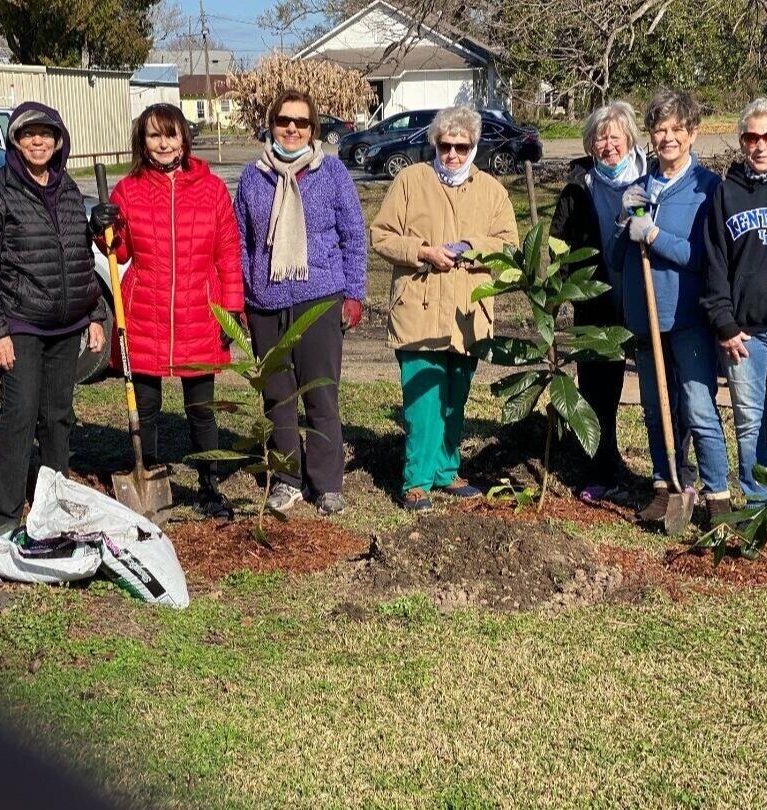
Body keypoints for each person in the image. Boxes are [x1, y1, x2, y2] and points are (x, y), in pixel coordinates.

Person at [89, 103, 243, 519]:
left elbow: (228, 253)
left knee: (201, 410)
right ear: (143, 141)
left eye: (170, 134)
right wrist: (101, 226)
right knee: (146, 406)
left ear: (183, 139)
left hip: (200, 310)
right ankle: (151, 473)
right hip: (145, 312)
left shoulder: (211, 190)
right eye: (154, 135)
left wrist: (232, 309)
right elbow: (117, 251)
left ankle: (209, 486)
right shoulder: (129, 189)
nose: (163, 143)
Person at [371, 105, 519, 512]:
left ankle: (446, 471)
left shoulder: (492, 190)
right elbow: (381, 235)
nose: (452, 154)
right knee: (422, 400)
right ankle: (416, 479)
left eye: (461, 146)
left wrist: (473, 249)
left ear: (473, 147)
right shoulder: (409, 180)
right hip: (418, 309)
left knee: (456, 396)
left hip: (467, 313)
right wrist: (421, 251)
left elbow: (510, 246)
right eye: (445, 146)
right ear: (434, 144)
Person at [0, 102, 106, 534]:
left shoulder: (66, 188)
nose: (38, 141)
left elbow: (80, 259)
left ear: (58, 139)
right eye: (28, 134)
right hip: (21, 325)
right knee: (20, 414)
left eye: (46, 134)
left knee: (57, 416)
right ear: (15, 139)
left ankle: (54, 501)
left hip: (67, 326)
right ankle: (4, 518)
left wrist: (95, 314)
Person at [234, 89, 367, 516]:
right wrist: (240, 295)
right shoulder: (253, 177)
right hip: (266, 302)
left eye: (301, 123)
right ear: (270, 125)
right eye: (283, 121)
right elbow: (240, 240)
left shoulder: (331, 173)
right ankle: (288, 478)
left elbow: (353, 234)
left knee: (321, 395)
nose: (292, 129)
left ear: (314, 129)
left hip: (319, 298)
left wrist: (354, 294)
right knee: (277, 396)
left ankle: (327, 482)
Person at [610, 90, 730, 524]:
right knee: (656, 408)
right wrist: (625, 225)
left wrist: (656, 236)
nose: (668, 137)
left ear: (693, 133)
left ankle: (718, 497)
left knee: (698, 407)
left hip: (687, 316)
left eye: (677, 129)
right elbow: (617, 258)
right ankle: (664, 486)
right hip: (646, 317)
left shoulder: (707, 189)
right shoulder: (639, 188)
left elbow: (705, 257)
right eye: (660, 129)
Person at [549, 101, 647, 502]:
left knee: (667, 390)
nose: (607, 145)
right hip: (597, 303)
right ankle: (602, 471)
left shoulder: (649, 178)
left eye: (614, 136)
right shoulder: (579, 185)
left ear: (629, 138)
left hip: (646, 300)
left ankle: (672, 475)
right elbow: (558, 244)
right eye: (599, 138)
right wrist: (566, 285)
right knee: (598, 392)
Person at [702, 97, 767, 500]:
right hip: (745, 334)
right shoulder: (726, 194)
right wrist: (725, 324)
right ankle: (759, 509)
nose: (761, 145)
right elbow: (715, 265)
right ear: (741, 141)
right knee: (751, 423)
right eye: (752, 137)